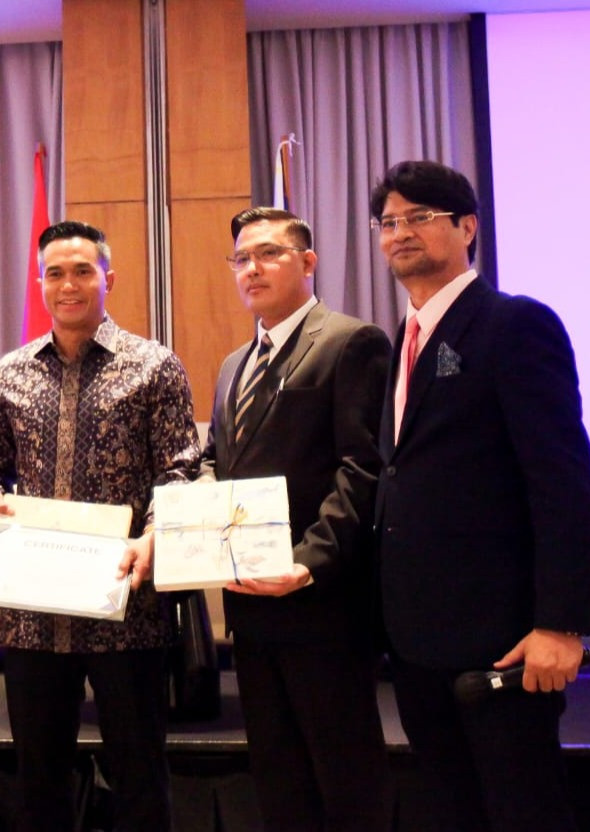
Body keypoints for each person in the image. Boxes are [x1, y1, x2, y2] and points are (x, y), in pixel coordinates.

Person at [370, 160, 590, 832]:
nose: (400, 233)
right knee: (449, 809)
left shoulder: (515, 324)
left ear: (468, 227)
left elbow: (561, 479)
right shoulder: (399, 344)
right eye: (388, 222)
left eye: (421, 217)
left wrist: (560, 622)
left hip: (501, 638)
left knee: (523, 810)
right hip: (415, 640)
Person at [0, 220, 201, 832]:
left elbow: (180, 470)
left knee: (139, 777)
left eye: (81, 271)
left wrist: (153, 534)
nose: (67, 284)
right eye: (55, 273)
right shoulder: (11, 372)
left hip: (128, 606)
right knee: (39, 780)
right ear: (40, 282)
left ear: (108, 277)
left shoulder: (155, 367)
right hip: (33, 613)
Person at [199, 206, 392, 830]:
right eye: (240, 259)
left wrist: (306, 564)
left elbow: (361, 470)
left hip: (322, 604)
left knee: (345, 778)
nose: (251, 269)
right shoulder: (234, 364)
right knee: (279, 781)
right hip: (251, 608)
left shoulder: (349, 341)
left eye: (269, 254)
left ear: (308, 263)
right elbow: (219, 465)